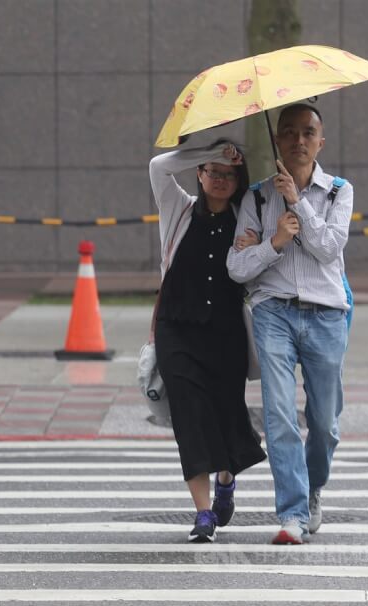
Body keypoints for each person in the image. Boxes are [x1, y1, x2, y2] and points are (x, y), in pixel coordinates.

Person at [227, 103, 353, 545]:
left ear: (321, 141)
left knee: (325, 423)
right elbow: (238, 268)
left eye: (308, 133)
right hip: (273, 313)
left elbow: (329, 247)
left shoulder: (339, 191)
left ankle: (314, 488)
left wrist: (299, 205)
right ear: (277, 141)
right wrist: (274, 244)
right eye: (290, 133)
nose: (299, 141)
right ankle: (293, 513)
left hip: (326, 315)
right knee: (279, 416)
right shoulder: (258, 197)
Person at [149, 139, 267, 543]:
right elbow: (157, 165)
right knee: (188, 416)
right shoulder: (177, 208)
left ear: (238, 181)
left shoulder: (246, 218)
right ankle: (202, 514)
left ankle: (226, 479)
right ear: (199, 174)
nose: (219, 179)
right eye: (212, 172)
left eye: (228, 174)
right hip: (176, 330)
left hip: (226, 335)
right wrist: (213, 152)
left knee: (225, 412)